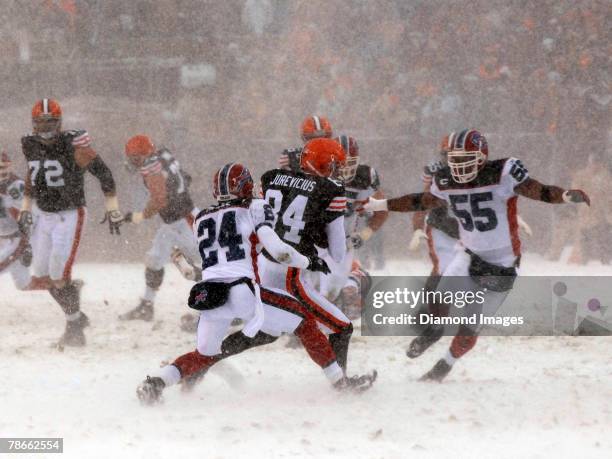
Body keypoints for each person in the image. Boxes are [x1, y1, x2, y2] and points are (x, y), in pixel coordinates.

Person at [136, 163, 374, 404]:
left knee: (205, 353)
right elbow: (279, 251)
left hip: (210, 297)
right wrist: (308, 261)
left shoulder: (202, 218)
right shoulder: (255, 208)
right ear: (245, 185)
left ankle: (156, 383)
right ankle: (340, 383)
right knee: (304, 321)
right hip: (242, 291)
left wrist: (187, 267)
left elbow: (216, 261)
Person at [365, 128, 590, 381]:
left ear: (481, 157)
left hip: (502, 264)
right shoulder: (445, 180)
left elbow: (537, 190)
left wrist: (564, 195)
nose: (458, 166)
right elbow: (420, 201)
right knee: (439, 295)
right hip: (469, 253)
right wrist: (383, 205)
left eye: (464, 159)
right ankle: (435, 329)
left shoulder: (503, 172)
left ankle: (445, 364)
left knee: (471, 323)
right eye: (455, 159)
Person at [19, 98, 123, 347]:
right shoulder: (30, 144)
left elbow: (104, 173)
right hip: (44, 214)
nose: (45, 128)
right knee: (42, 275)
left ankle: (75, 326)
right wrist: (25, 207)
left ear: (60, 123)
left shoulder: (73, 145)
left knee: (58, 273)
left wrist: (112, 207)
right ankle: (75, 314)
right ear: (34, 124)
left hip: (69, 213)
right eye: (41, 123)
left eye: (50, 122)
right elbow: (33, 175)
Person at [260, 137, 355, 370]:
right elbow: (338, 253)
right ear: (322, 164)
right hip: (290, 274)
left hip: (263, 264)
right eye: (334, 165)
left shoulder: (272, 177)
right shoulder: (330, 189)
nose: (338, 172)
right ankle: (340, 382)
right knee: (341, 327)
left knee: (264, 332)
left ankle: (201, 363)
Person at [118, 135, 201, 321]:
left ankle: (222, 304)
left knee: (203, 267)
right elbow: (186, 178)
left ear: (146, 155)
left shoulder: (151, 166)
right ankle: (146, 306)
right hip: (174, 222)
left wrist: (137, 216)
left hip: (185, 221)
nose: (134, 163)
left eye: (136, 158)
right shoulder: (163, 154)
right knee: (154, 259)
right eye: (132, 158)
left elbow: (159, 200)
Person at [318, 134, 388, 302]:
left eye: (349, 162)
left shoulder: (364, 178)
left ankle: (353, 284)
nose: (344, 168)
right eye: (340, 162)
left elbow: (382, 210)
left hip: (343, 242)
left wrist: (365, 233)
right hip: (313, 239)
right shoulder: (318, 173)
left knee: (330, 293)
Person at [0, 152, 32, 290]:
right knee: (24, 285)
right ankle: (66, 289)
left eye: (3, 167)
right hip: (4, 239)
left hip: (16, 239)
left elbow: (28, 216)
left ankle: (65, 290)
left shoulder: (15, 186)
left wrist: (27, 243)